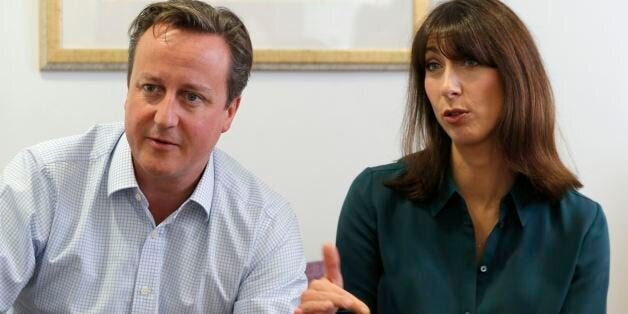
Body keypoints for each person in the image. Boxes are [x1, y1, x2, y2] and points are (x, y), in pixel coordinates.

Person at [296, 0, 610, 313]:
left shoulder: (580, 226)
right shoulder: (375, 198)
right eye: (433, 66)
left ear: (516, 75)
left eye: (470, 62)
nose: (448, 86)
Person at [0, 0, 307, 312]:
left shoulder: (265, 226)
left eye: (191, 97)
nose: (164, 118)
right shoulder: (41, 181)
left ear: (229, 112)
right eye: (151, 88)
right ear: (128, 91)